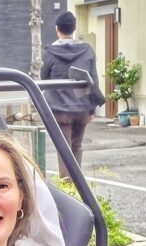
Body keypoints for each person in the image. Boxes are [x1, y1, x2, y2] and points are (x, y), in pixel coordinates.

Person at [40, 11, 106, 179]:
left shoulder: (48, 53)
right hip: (82, 108)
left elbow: (43, 78)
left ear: (57, 29)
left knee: (64, 149)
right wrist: (91, 111)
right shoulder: (87, 50)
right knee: (77, 146)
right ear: (74, 28)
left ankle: (67, 187)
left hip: (59, 109)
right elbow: (94, 81)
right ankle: (78, 185)